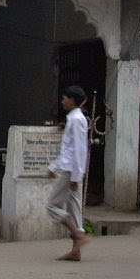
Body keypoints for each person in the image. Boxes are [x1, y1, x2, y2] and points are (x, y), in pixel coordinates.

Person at [46, 85, 90, 261]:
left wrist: (75, 176)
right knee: (74, 208)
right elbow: (71, 149)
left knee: (51, 206)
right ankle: (76, 250)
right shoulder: (74, 118)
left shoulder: (77, 119)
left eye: (65, 98)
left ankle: (77, 235)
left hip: (70, 171)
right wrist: (54, 167)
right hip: (71, 170)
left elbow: (79, 150)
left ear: (72, 100)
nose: (63, 101)